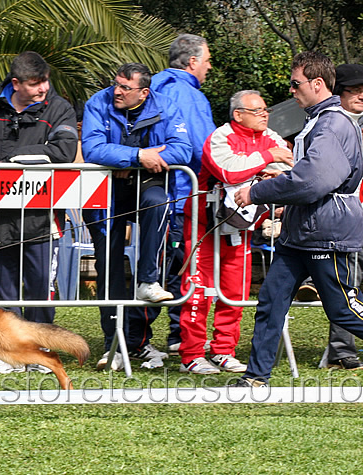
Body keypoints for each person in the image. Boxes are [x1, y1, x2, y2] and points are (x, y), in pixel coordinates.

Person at [234, 51, 363, 387]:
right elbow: (308, 176)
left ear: (317, 84)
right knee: (271, 302)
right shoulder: (317, 120)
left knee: (344, 312)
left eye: (296, 84)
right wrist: (278, 182)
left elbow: (312, 182)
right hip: (300, 233)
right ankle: (255, 379)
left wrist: (258, 193)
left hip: (327, 233)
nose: (291, 91)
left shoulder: (333, 123)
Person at [0, 51, 78, 374]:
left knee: (40, 287)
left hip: (41, 216)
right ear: (16, 83)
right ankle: (9, 352)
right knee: (2, 287)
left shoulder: (59, 107)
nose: (43, 89)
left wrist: (13, 157)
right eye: (34, 83)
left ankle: (41, 351)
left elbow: (65, 150)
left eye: (45, 81)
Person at [81, 63, 192, 370]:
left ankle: (147, 282)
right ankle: (112, 346)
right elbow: (92, 149)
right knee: (109, 266)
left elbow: (183, 150)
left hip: (148, 184)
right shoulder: (97, 102)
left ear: (144, 92)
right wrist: (136, 155)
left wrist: (144, 160)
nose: (116, 91)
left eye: (124, 88)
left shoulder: (165, 105)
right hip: (106, 190)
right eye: (115, 84)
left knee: (159, 204)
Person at [178, 90, 293, 374]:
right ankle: (191, 354)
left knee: (236, 290)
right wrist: (267, 159)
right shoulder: (220, 136)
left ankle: (223, 350)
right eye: (257, 111)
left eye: (265, 109)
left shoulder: (272, 137)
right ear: (238, 114)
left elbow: (288, 165)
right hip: (205, 225)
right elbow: (228, 171)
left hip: (241, 226)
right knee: (198, 290)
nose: (264, 114)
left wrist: (266, 165)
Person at [148, 33, 217, 355]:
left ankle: (143, 337)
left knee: (158, 270)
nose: (209, 67)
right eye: (206, 61)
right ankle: (165, 336)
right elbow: (205, 147)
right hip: (181, 195)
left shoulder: (155, 88)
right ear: (192, 63)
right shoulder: (186, 95)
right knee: (178, 269)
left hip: (156, 194)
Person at [320, 63, 363, 370]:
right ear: (339, 93)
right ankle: (341, 349)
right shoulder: (331, 124)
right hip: (346, 216)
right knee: (348, 286)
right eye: (355, 90)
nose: (362, 96)